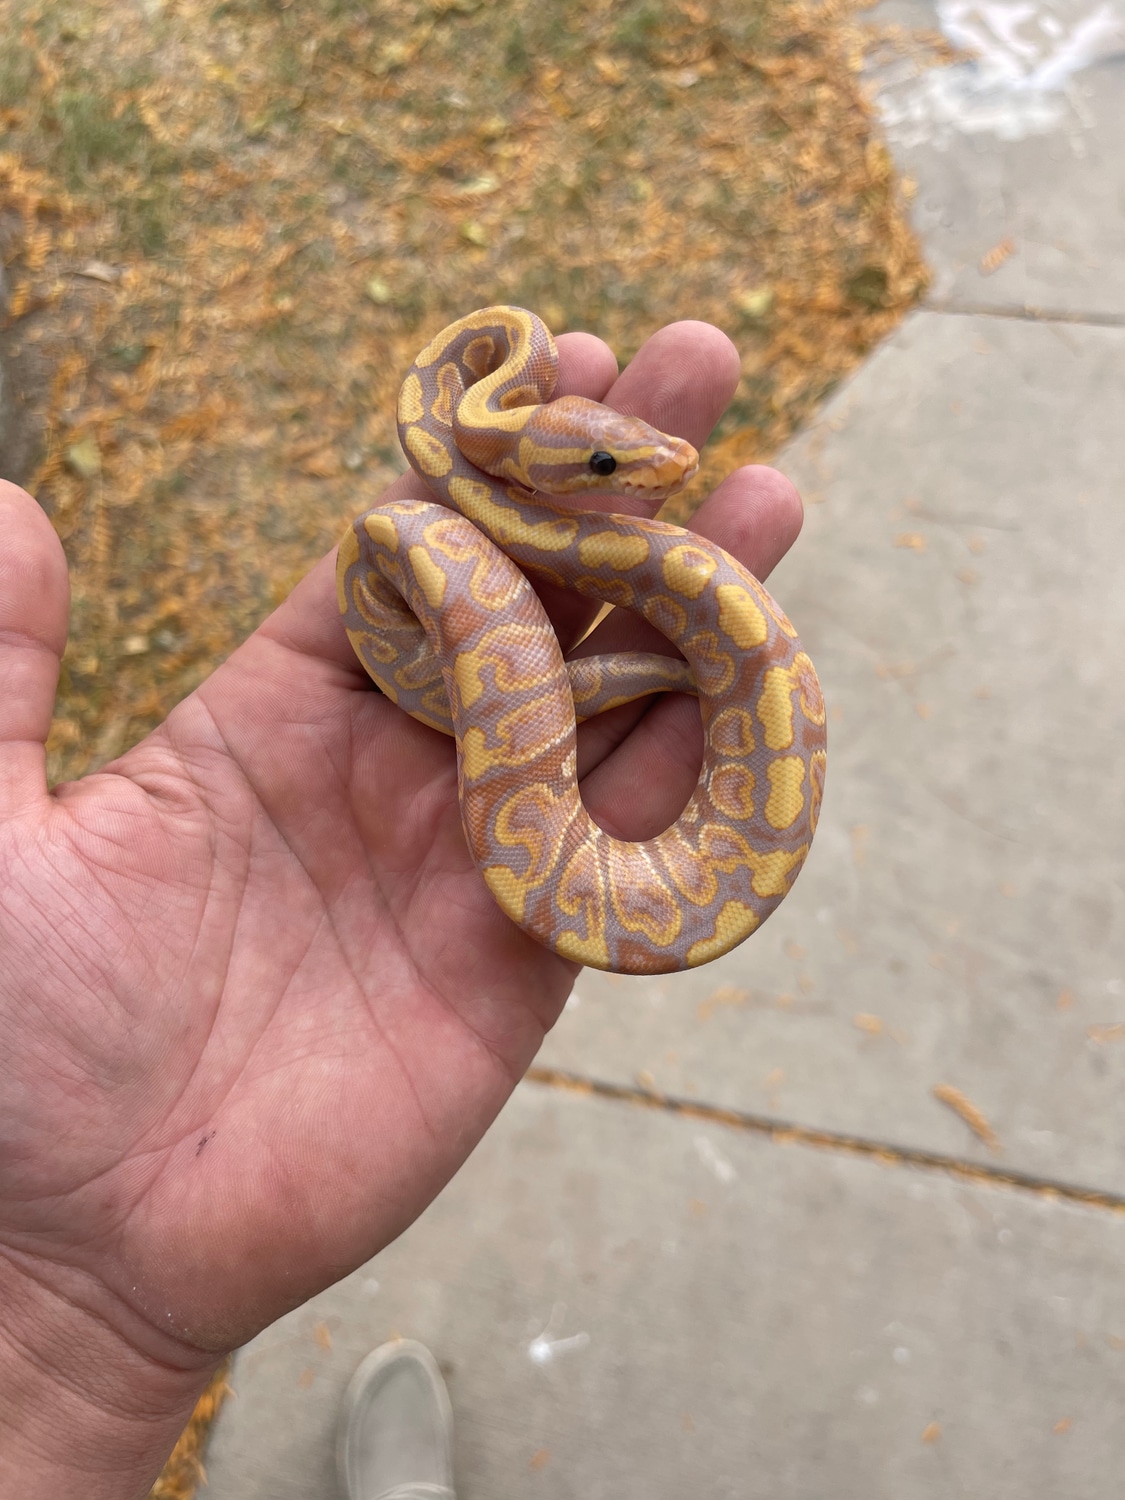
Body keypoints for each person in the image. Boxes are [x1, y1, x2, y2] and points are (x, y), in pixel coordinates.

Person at [0, 319, 805, 1498]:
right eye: (605, 470)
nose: (648, 478)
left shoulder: (467, 456)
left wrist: (71, 1339)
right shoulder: (438, 496)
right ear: (514, 449)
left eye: (617, 463)